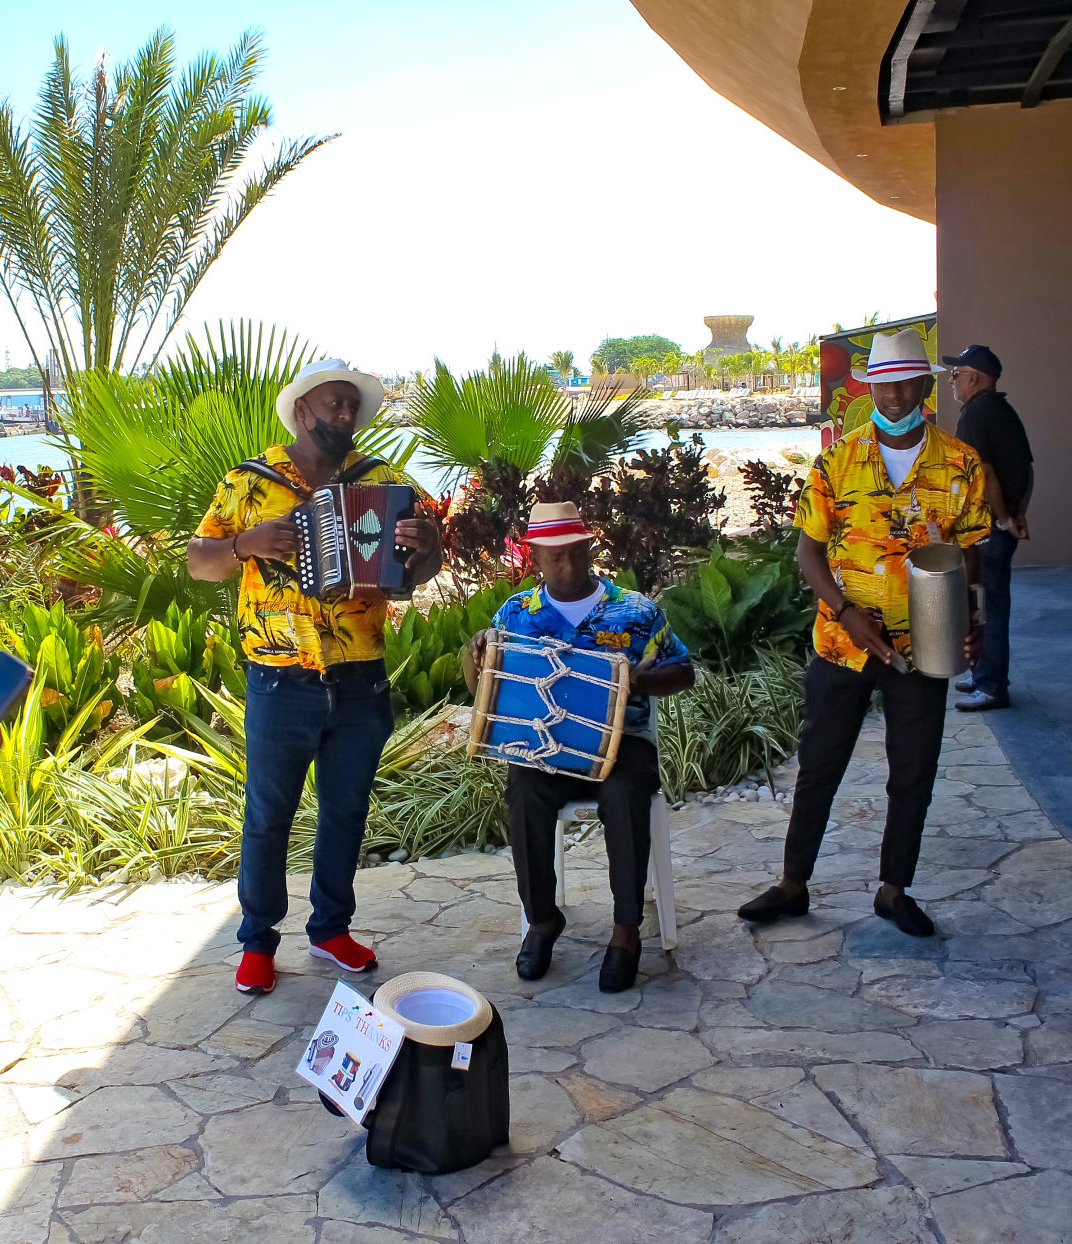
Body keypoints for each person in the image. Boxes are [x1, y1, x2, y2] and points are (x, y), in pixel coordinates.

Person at [187, 358, 443, 996]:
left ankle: (330, 929)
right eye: (334, 403)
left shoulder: (383, 482)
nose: (345, 414)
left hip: (360, 675)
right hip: (280, 676)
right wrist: (246, 544)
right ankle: (257, 942)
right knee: (268, 815)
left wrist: (428, 549)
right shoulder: (249, 482)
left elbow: (409, 578)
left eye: (352, 405)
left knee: (346, 810)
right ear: (302, 410)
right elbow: (198, 562)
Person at [738, 328, 990, 938]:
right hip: (841, 645)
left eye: (906, 383)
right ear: (870, 387)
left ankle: (893, 890)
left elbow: (973, 557)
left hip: (924, 645)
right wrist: (846, 611)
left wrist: (969, 620)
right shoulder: (836, 461)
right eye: (883, 385)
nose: (895, 395)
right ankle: (792, 884)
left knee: (913, 772)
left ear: (924, 385)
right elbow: (808, 554)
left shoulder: (960, 463)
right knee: (819, 766)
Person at [465, 502, 694, 993]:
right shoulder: (515, 615)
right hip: (545, 747)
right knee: (523, 791)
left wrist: (640, 681)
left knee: (625, 795)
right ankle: (542, 920)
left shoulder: (635, 610)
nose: (567, 565)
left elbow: (684, 671)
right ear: (535, 558)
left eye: (575, 553)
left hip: (622, 744)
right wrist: (475, 654)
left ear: (589, 548)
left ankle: (626, 929)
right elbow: (483, 687)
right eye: (555, 556)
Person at [944, 344, 1033, 712]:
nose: (951, 381)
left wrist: (1002, 519)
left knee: (987, 604)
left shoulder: (975, 415)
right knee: (986, 601)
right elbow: (1027, 470)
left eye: (956, 375)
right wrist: (1017, 514)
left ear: (975, 378)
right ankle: (983, 673)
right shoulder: (1002, 410)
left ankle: (992, 685)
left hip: (987, 528)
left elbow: (984, 473)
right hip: (999, 523)